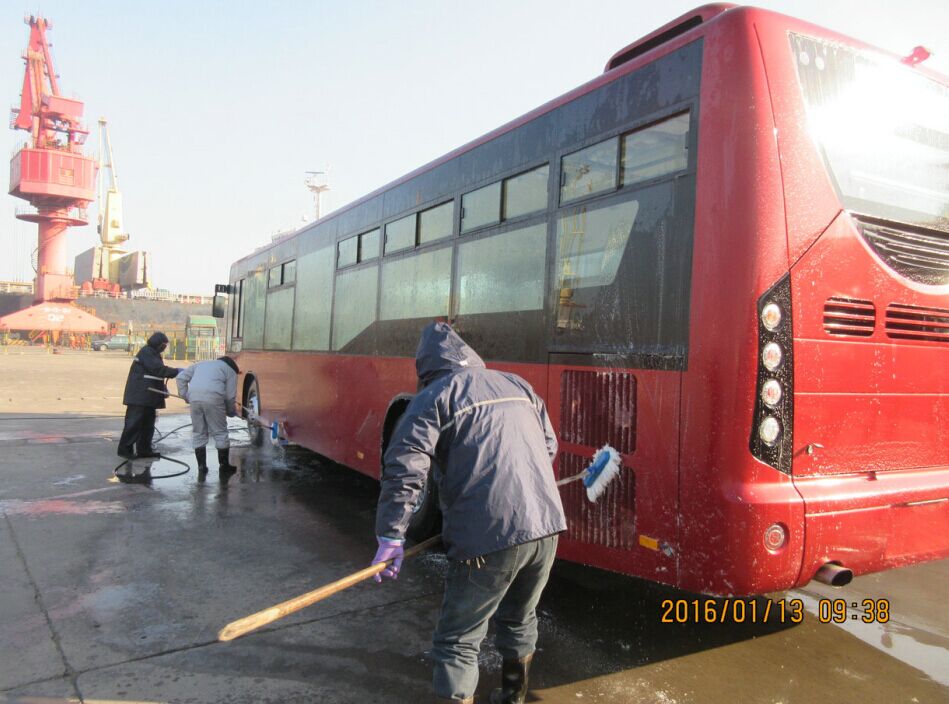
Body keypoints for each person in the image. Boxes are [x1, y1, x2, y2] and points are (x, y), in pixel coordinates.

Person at [373, 322, 566, 704]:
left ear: (426, 368)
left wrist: (391, 535)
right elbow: (548, 445)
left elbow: (406, 469)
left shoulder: (433, 397)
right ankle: (513, 696)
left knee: (458, 639)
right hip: (545, 527)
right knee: (520, 618)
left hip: (487, 536)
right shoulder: (518, 385)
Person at [117, 332, 180, 459]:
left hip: (148, 396)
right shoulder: (147, 352)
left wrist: (162, 387)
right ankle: (125, 449)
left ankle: (144, 450)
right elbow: (158, 370)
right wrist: (177, 371)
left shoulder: (153, 353)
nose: (164, 348)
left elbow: (154, 373)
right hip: (139, 396)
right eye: (164, 345)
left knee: (148, 425)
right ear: (158, 343)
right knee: (134, 424)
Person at [175, 356, 239, 475]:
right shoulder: (230, 371)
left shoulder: (201, 364)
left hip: (194, 398)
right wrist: (231, 412)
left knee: (198, 432)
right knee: (220, 432)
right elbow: (230, 397)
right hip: (214, 398)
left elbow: (180, 377)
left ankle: (202, 467)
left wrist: (185, 396)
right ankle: (224, 466)